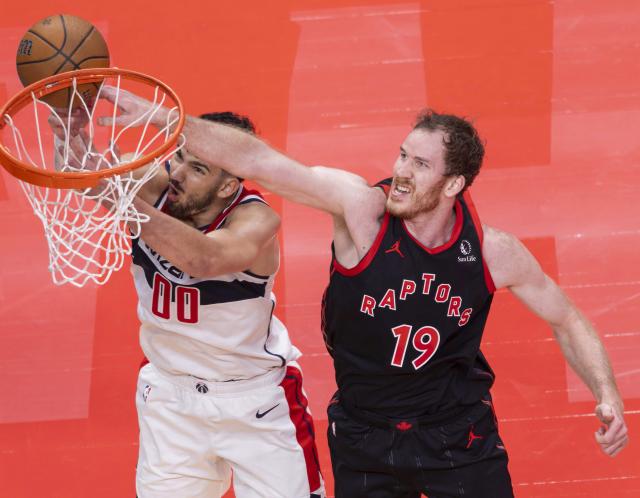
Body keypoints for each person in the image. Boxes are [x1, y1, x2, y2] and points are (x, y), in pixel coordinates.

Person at [99, 90, 628, 498]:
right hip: (364, 433)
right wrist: (159, 117)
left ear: (453, 186)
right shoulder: (361, 211)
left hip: (457, 433)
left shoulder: (493, 252)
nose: (399, 171)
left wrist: (607, 393)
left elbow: (567, 318)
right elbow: (259, 163)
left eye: (420, 165)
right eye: (402, 155)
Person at [52, 111, 325, 498]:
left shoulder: (256, 221)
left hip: (254, 402)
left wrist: (124, 202)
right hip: (170, 397)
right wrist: (66, 125)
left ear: (228, 186)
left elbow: (204, 260)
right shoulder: (155, 185)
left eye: (197, 168)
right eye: (179, 155)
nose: (177, 172)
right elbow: (77, 168)